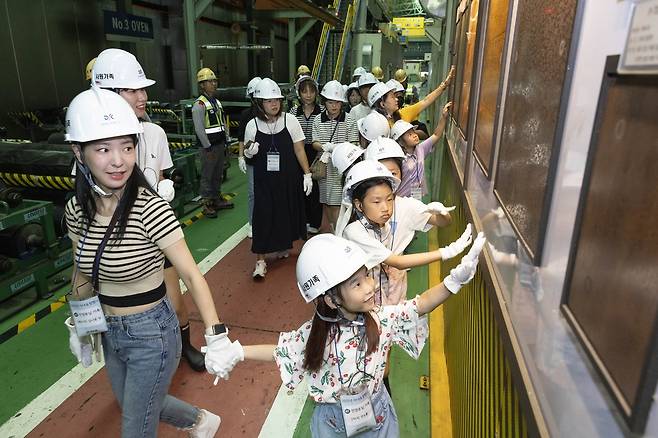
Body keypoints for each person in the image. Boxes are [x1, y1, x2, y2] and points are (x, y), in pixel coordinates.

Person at [63, 88, 242, 437]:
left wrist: (216, 335)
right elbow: (82, 270)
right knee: (134, 401)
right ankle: (200, 422)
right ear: (78, 153)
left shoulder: (150, 208)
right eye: (103, 149)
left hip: (152, 334)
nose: (119, 160)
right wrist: (80, 324)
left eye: (127, 147)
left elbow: (191, 272)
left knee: (135, 425)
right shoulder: (75, 211)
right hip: (109, 329)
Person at [212, 232, 485, 437]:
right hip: (332, 423)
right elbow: (280, 349)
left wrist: (454, 280)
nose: (369, 286)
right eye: (357, 283)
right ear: (331, 299)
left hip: (377, 415)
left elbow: (419, 305)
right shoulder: (315, 335)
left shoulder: (381, 318)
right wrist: (238, 351)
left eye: (366, 276)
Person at [91, 48, 205, 371]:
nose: (143, 96)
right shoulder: (90, 141)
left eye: (142, 88)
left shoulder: (154, 134)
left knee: (175, 301)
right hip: (115, 243)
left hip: (153, 234)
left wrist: (162, 191)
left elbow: (161, 175)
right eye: (133, 89)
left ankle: (185, 344)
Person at [336, 160, 471, 307]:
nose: (385, 208)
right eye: (376, 202)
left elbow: (444, 221)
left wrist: (443, 213)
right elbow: (398, 262)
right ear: (359, 205)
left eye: (389, 199)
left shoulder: (382, 225)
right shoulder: (354, 231)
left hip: (383, 289)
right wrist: (447, 251)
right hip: (364, 298)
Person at [243, 78, 312, 278]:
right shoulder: (252, 125)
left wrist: (307, 173)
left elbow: (299, 149)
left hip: (288, 178)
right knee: (263, 217)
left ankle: (283, 246)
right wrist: (248, 153)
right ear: (258, 103)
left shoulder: (289, 120)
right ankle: (260, 261)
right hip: (264, 181)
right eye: (268, 101)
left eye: (277, 100)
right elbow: (247, 149)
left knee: (286, 212)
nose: (274, 104)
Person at [312, 80, 359, 231]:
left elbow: (354, 143)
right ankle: (334, 229)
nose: (334, 106)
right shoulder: (318, 120)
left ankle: (339, 231)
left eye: (337, 102)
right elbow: (314, 142)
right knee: (326, 201)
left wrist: (337, 148)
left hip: (343, 168)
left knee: (340, 201)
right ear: (324, 102)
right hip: (325, 167)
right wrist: (324, 146)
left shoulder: (350, 119)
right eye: (330, 102)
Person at [193, 67, 234, 218]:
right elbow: (199, 128)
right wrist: (207, 147)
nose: (213, 84)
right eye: (209, 82)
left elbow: (222, 122)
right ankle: (206, 203)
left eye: (214, 81)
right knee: (207, 175)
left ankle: (216, 199)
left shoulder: (216, 102)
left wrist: (226, 139)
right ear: (202, 85)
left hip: (219, 144)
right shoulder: (199, 105)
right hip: (208, 147)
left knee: (217, 173)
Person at [391, 102, 452, 200]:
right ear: (401, 142)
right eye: (409, 135)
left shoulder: (420, 149)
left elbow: (436, 135)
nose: (415, 135)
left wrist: (444, 117)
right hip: (402, 199)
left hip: (416, 193)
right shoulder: (398, 159)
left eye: (413, 132)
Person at [289, 75, 323, 234]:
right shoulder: (293, 111)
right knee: (300, 188)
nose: (308, 95)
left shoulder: (322, 110)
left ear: (316, 93)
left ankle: (315, 222)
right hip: (298, 151)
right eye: (304, 92)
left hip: (317, 152)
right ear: (299, 93)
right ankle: (303, 221)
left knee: (315, 189)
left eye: (311, 91)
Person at [238, 76, 263, 238]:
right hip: (252, 159)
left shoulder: (271, 113)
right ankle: (253, 223)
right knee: (253, 192)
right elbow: (241, 138)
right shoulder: (246, 114)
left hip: (269, 159)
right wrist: (241, 156)